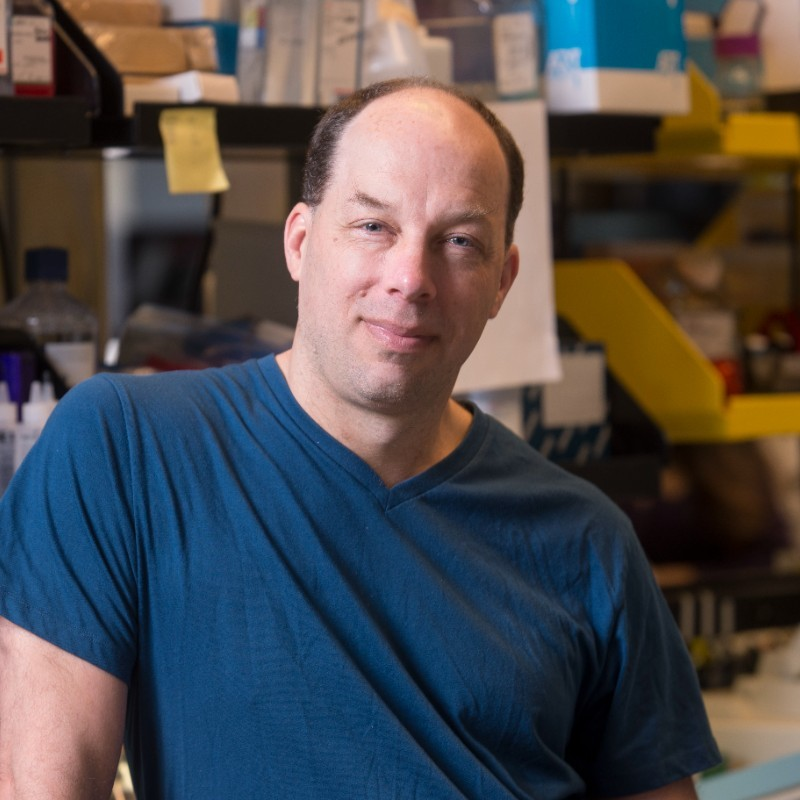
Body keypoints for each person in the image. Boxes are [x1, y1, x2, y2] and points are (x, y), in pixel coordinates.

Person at [0, 77, 720, 799]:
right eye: (374, 226)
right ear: (300, 242)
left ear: (502, 282)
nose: (410, 279)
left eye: (459, 242)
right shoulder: (126, 450)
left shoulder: (587, 540)